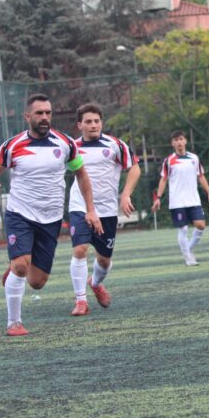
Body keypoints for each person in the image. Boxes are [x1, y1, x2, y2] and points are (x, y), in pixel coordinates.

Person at [0, 93, 102, 337]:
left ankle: (17, 266)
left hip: (51, 218)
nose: (45, 117)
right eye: (39, 113)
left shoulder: (65, 144)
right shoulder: (12, 146)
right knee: (20, 265)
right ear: (28, 117)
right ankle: (13, 322)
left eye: (48, 112)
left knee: (37, 282)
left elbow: (82, 176)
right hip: (20, 214)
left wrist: (91, 210)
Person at [66, 104, 141, 316]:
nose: (93, 125)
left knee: (104, 260)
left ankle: (96, 283)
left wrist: (125, 194)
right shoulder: (72, 147)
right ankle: (81, 301)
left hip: (107, 210)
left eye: (96, 121)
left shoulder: (116, 145)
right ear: (79, 125)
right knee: (80, 249)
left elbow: (134, 168)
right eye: (88, 122)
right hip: (80, 205)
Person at [152, 130, 209, 265]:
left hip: (193, 199)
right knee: (184, 229)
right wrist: (158, 197)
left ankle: (189, 249)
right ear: (172, 144)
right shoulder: (168, 161)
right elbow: (163, 180)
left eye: (181, 139)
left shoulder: (194, 158)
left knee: (201, 225)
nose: (179, 142)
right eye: (176, 140)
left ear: (185, 141)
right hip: (177, 201)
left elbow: (201, 176)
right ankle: (188, 258)